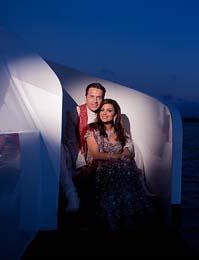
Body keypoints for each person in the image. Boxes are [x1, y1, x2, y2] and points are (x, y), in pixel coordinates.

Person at [83, 99, 152, 232]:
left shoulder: (120, 131)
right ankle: (112, 216)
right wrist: (119, 156)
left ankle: (126, 213)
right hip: (99, 167)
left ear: (115, 114)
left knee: (128, 168)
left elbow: (128, 144)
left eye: (109, 110)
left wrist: (126, 149)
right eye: (102, 110)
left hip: (121, 167)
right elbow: (96, 155)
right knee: (119, 169)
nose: (104, 113)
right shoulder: (92, 130)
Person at [60, 82, 106, 213]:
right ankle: (72, 195)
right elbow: (72, 141)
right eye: (92, 96)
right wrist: (82, 165)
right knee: (59, 150)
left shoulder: (106, 112)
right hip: (78, 154)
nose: (95, 101)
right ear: (86, 97)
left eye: (99, 97)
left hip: (98, 153)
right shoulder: (75, 113)